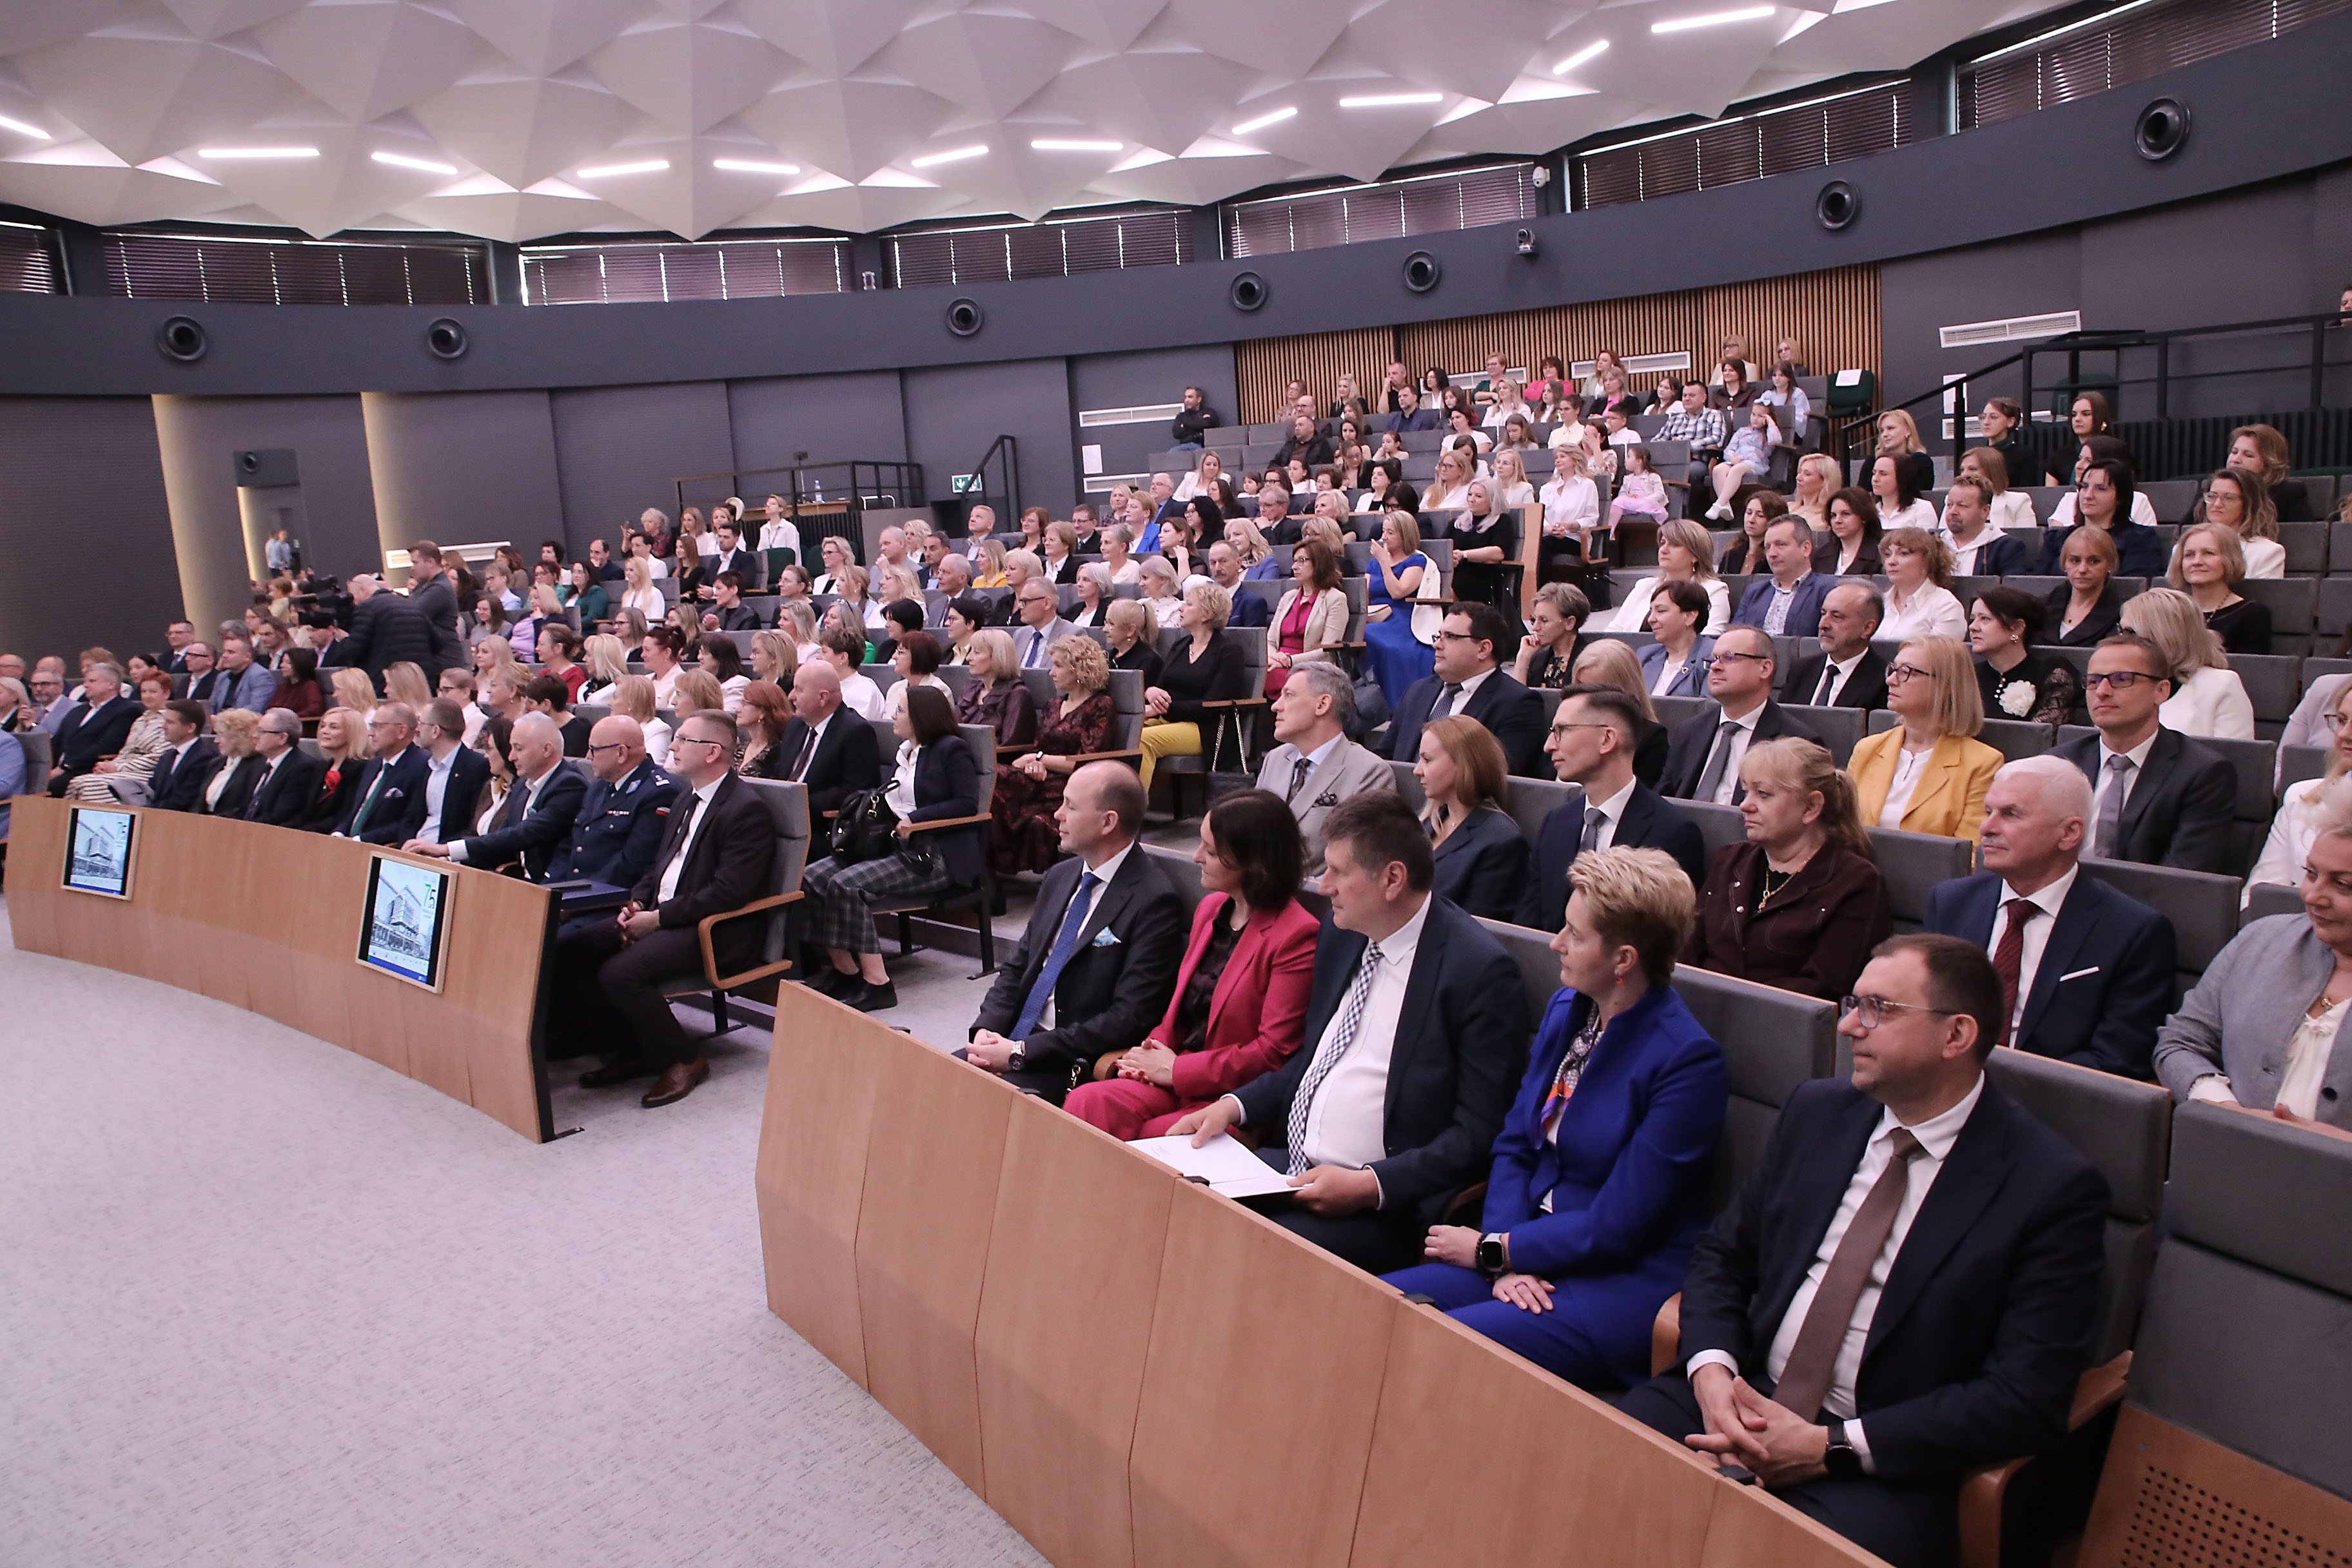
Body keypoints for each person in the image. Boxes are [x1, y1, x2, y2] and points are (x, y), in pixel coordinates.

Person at [1620, 933, 2110, 1568]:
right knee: (1594, 1466)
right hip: (1743, 1393)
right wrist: (1713, 1374)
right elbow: (1724, 1257)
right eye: (1854, 1003)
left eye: (1878, 1008)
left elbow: (2022, 1397)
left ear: (1956, 1034)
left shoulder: (2049, 1187)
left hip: (1887, 1460)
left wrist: (1829, 1446)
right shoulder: (1819, 1112)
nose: (1849, 1024)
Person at [1387, 841, 1729, 1386]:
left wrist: (1498, 1251)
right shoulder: (1570, 1008)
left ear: (1624, 960)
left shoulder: (1687, 1062)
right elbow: (1516, 1143)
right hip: (1525, 1247)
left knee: (1431, 1353)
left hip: (1612, 1281)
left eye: (1575, 934)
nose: (1556, 943)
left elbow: (1618, 1225)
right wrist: (1500, 1253)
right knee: (1378, 1307)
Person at [1171, 793, 1534, 1273]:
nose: (1323, 886)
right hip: (1291, 1167)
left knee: (1235, 1250)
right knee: (1169, 1193)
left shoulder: (1476, 971)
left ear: (1393, 879)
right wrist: (1232, 1106)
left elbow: (1478, 1130)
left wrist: (1371, 1184)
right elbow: (1314, 1062)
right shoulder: (1343, 934)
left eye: (1339, 872)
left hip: (1383, 1203)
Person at [549, 710, 778, 1108]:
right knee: (572, 950)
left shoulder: (745, 809)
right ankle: (631, 1048)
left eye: (684, 739)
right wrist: (637, 902)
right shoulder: (686, 796)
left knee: (621, 973)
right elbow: (659, 866)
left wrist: (657, 919)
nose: (672, 745)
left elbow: (729, 892)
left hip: (713, 928)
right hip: (665, 914)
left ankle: (684, 1058)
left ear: (712, 752)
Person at [1064, 792, 1321, 1139]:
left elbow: (1273, 1053)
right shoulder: (1211, 909)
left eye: (1211, 852)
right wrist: (1148, 1057)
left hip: (1229, 1096)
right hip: (1176, 1073)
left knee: (1157, 1138)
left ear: (1254, 863)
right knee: (1086, 1103)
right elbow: (1179, 1013)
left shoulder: (1296, 935)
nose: (1197, 856)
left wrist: (1179, 1070)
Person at [1924, 758, 2173, 1076]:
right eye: (1988, 812)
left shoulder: (2133, 931)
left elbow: (2118, 1059)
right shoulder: (1951, 902)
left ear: (2069, 833)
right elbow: (1923, 1012)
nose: (1987, 828)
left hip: (2051, 1097)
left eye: (2010, 814)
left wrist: (2002, 1086)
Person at [963, 761, 1188, 1101]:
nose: (1057, 815)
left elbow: (1128, 1018)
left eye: (1070, 805)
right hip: (1011, 1039)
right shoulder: (1061, 876)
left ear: (1108, 822)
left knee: (973, 1105)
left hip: (1068, 1061)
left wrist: (1021, 1052)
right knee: (930, 1080)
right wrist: (988, 1028)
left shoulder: (1154, 900)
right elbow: (1019, 966)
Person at [2156, 775, 2352, 1130]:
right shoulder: (2259, 941)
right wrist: (2221, 1105)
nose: (2313, 896)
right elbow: (2180, 1043)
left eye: (2343, 885)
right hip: (2231, 1154)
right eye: (2311, 874)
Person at [799, 686, 983, 1012]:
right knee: (812, 878)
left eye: (900, 711)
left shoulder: (951, 749)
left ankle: (878, 984)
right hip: (893, 844)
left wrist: (917, 819)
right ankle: (846, 972)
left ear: (921, 716)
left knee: (846, 885)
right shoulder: (906, 751)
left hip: (932, 854)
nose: (893, 717)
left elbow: (967, 804)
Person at [1519, 684, 1707, 932]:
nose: (1549, 746)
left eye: (1562, 730)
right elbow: (1529, 927)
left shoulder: (1672, 834)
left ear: (1607, 739)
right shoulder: (1556, 823)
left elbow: (1663, 940)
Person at [2053, 632, 2237, 873]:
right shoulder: (2059, 763)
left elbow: (2182, 877)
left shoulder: (2203, 773)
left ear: (2161, 691)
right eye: (2094, 681)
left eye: (2121, 679)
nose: (2102, 691)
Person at [1847, 637, 2003, 844]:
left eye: (1906, 672)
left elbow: (1969, 854)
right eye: (1893, 670)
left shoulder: (1983, 763)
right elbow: (1841, 831)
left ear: (1947, 685)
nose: (1891, 680)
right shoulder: (1867, 749)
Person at [1254, 663, 1397, 880]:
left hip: (1316, 895)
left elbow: (1358, 862)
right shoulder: (1275, 759)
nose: (1276, 706)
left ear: (1322, 705)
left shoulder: (1370, 772)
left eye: (1289, 695)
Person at [994, 634, 1117, 879]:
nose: (1051, 672)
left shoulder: (1101, 705)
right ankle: (990, 862)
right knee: (993, 778)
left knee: (997, 780)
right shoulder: (1053, 704)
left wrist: (1040, 759)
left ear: (1080, 669)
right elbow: (1038, 748)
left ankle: (992, 865)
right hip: (1039, 777)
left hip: (1072, 782)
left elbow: (1087, 761)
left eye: (1059, 666)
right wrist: (1032, 763)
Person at [1388, 602, 1547, 779]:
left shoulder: (1518, 703)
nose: (1437, 645)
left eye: (1450, 637)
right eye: (1439, 636)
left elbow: (1497, 776)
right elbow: (1385, 757)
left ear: (1483, 649)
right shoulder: (1418, 691)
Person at [1415, 716, 1530, 921]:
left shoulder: (1501, 840)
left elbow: (1477, 926)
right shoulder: (1425, 823)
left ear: (1463, 763)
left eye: (1428, 760)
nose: (1417, 770)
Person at [1137, 582, 1246, 791]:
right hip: (1170, 719)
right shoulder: (1181, 646)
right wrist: (1150, 692)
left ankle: (1132, 808)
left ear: (1206, 614)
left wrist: (1164, 709)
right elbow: (1161, 687)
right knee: (1122, 732)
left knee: (1142, 740)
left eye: (1188, 604)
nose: (1180, 607)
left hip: (1205, 728)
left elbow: (1212, 705)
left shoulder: (1229, 651)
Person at [2121, 587, 2255, 741]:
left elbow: (2235, 755)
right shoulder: (2115, 684)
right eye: (2121, 631)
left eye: (2130, 633)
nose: (2121, 641)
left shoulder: (2221, 686)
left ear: (2165, 636)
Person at [1970, 587, 2081, 726]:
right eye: (1973, 619)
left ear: (2017, 628)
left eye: (1985, 619)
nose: (1973, 627)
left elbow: (2040, 735)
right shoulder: (1969, 677)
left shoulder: (2051, 678)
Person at [2040, 456, 2164, 578]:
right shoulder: (2056, 539)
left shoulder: (2141, 540)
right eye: (2084, 487)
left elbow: (2135, 585)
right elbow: (2038, 584)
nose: (2088, 495)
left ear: (2120, 497)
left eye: (2100, 489)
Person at [63, 668, 172, 805]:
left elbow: (158, 757)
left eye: (153, 692)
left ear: (166, 694)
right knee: (78, 782)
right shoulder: (140, 720)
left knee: (88, 784)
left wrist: (118, 767)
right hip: (124, 767)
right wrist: (109, 765)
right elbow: (126, 751)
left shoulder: (170, 721)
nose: (147, 696)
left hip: (147, 773)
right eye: (144, 692)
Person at [1362, 510, 1436, 703]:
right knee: (1357, 633)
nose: (1384, 537)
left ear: (1405, 535)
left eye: (1390, 533)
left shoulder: (1416, 561)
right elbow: (1364, 596)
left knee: (1370, 636)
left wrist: (1385, 563)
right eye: (1383, 532)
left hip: (1404, 618)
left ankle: (1393, 699)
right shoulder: (1374, 564)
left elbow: (1397, 592)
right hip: (1375, 616)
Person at [1783, 582, 1891, 713]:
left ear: (1867, 628)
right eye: (1823, 614)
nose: (1823, 625)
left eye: (1837, 617)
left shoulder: (1886, 680)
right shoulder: (1801, 670)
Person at [1609, 519, 1730, 635]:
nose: (1664, 550)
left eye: (1675, 545)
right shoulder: (1644, 586)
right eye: (1663, 543)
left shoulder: (1714, 590)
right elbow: (1615, 628)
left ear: (1696, 555)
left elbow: (1711, 636)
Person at [2166, 522, 2271, 656]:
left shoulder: (2253, 615)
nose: (2197, 562)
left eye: (2209, 553)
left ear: (2230, 559)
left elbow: (2248, 666)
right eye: (2189, 555)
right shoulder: (2169, 611)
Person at [1264, 538, 1349, 698]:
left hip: (1311, 666)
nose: (1294, 567)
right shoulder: (1288, 597)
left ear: (1319, 563)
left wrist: (1289, 661)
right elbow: (1270, 641)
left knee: (1265, 676)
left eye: (1302, 561)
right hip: (1277, 662)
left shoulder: (1335, 599)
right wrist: (1274, 658)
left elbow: (1327, 651)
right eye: (1294, 561)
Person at [44, 662, 140, 796]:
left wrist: (66, 767)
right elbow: (56, 742)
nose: (85, 685)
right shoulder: (78, 711)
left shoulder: (126, 710)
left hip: (88, 769)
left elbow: (105, 746)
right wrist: (45, 768)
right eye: (85, 681)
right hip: (60, 768)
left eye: (92, 681)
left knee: (51, 787)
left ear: (111, 684)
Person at [1732, 517, 1836, 638]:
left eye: (1781, 545)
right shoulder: (1754, 592)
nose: (1772, 554)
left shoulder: (1828, 590)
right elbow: (1734, 637)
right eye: (1768, 547)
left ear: (1806, 548)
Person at [2187, 466, 2285, 578]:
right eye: (2212, 496)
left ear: (2248, 504)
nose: (2217, 504)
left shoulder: (2267, 552)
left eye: (2229, 498)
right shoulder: (2184, 547)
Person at [239, 707, 328, 828]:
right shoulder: (258, 764)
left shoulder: (302, 768)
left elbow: (282, 815)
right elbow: (243, 808)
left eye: (262, 732)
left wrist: (243, 827)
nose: (255, 736)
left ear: (282, 738)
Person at [1876, 529, 1966, 643]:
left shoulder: (1946, 605)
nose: (1891, 562)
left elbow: (1942, 654)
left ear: (1927, 561)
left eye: (1904, 553)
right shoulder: (1878, 602)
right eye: (1888, 555)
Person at [1638, 580, 1716, 701]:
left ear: (1689, 617)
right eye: (1651, 611)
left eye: (1661, 611)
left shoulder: (1712, 657)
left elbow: (1708, 709)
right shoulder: (1645, 656)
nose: (1650, 619)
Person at [1707, 401, 1781, 522]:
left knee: (1738, 469)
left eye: (1760, 416)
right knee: (1718, 469)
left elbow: (1776, 441)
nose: (1755, 418)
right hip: (1736, 462)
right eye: (1753, 414)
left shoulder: (1769, 434)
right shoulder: (1742, 431)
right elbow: (1729, 450)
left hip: (1755, 465)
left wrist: (1770, 422)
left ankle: (1718, 505)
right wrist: (1732, 458)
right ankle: (1725, 506)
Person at [2226, 423, 2314, 522]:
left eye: (2248, 455)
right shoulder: (2215, 490)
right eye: (2234, 452)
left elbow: (2305, 530)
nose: (2236, 459)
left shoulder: (2289, 494)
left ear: (2269, 463)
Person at [144, 700, 219, 813]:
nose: (164, 727)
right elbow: (153, 790)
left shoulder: (205, 758)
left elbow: (184, 801)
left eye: (170, 722)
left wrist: (151, 812)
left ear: (191, 728)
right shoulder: (167, 757)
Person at [1514, 582, 1591, 691]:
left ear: (1570, 623)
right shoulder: (1536, 659)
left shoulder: (1590, 662)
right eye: (1534, 620)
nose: (1535, 628)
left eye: (1544, 620)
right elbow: (1516, 699)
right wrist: (1523, 659)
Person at [1975, 397, 2044, 493]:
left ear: (2011, 422)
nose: (1986, 422)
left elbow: (2027, 491)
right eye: (1983, 417)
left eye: (1994, 417)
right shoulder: (1976, 454)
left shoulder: (2024, 455)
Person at [1812, 489, 1883, 578]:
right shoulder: (1819, 556)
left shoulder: (1880, 556)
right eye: (1833, 516)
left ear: (1864, 517)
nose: (1837, 520)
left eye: (1846, 514)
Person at [208, 632, 277, 714]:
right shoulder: (222, 677)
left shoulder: (261, 676)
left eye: (231, 652)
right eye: (225, 651)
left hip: (244, 721)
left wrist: (224, 718)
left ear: (247, 657)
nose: (224, 656)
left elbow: (256, 709)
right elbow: (212, 706)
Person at [1716, 489, 1781, 574]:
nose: (1751, 520)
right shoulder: (1731, 555)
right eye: (1749, 513)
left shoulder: (1776, 557)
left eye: (1760, 516)